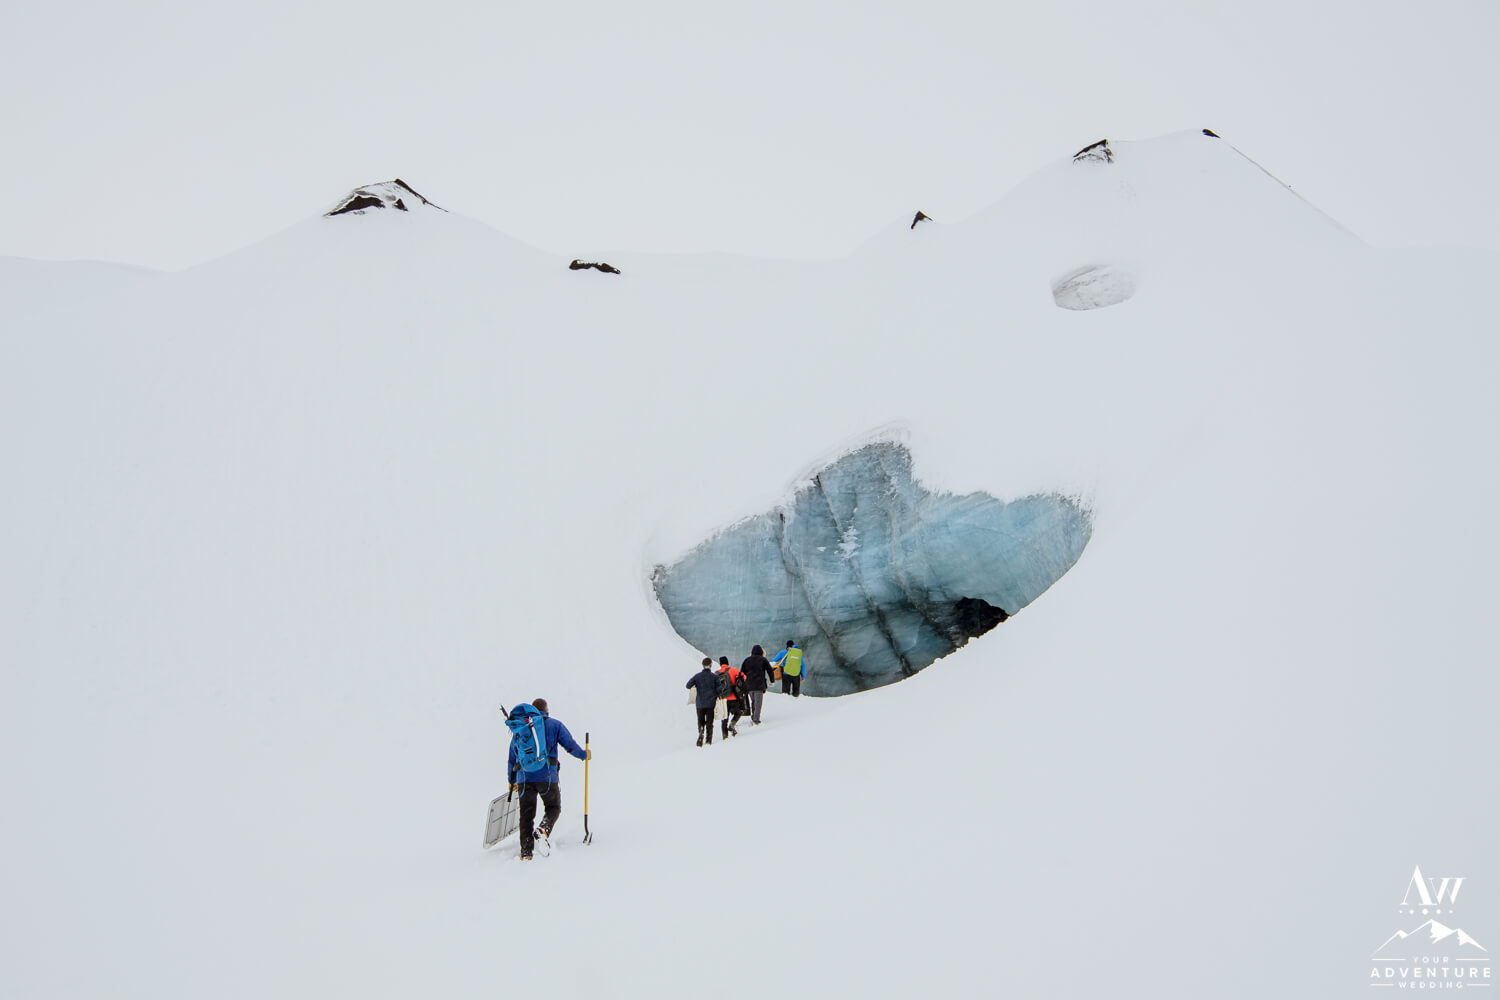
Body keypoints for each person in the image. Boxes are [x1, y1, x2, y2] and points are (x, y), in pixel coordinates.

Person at [506, 697, 589, 860]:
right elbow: (570, 745)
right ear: (546, 710)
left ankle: (526, 853)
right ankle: (543, 830)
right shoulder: (554, 725)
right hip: (547, 777)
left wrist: (511, 780)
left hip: (524, 779)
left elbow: (512, 757)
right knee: (553, 807)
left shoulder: (521, 729)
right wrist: (584, 755)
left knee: (526, 816)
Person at [685, 657, 719, 747]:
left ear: (703, 665)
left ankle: (701, 731)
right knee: (709, 722)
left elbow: (688, 685)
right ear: (711, 665)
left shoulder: (697, 676)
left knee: (700, 720)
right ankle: (708, 740)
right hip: (711, 703)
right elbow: (720, 689)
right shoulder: (714, 677)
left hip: (700, 703)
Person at [739, 644, 775, 724]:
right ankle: (756, 719)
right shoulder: (763, 660)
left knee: (753, 701)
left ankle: (753, 716)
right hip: (759, 684)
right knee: (758, 702)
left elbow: (742, 673)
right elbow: (770, 671)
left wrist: (743, 683)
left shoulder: (747, 660)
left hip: (749, 685)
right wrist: (772, 680)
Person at [717, 655, 747, 738]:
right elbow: (744, 677)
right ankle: (732, 725)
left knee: (724, 718)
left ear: (720, 664)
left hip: (723, 700)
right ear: (727, 662)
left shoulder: (716, 673)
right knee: (738, 712)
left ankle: (725, 736)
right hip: (734, 697)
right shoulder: (733, 670)